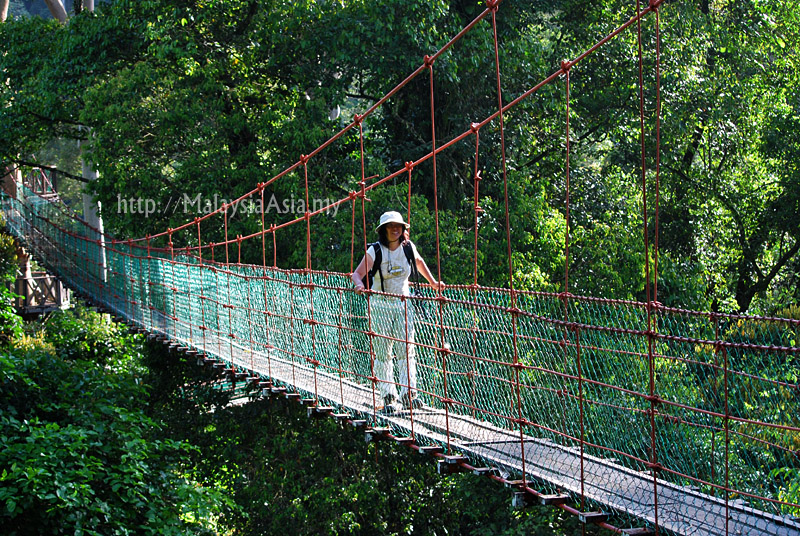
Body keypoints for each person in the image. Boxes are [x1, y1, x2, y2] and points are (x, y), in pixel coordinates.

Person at [351, 211, 445, 415]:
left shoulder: (408, 248)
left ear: (403, 229)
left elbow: (419, 264)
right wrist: (359, 285)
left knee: (406, 349)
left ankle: (408, 394)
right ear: (383, 230)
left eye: (399, 226)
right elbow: (356, 274)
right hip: (381, 305)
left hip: (403, 305)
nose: (395, 229)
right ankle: (388, 396)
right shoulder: (375, 251)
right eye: (390, 226)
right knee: (383, 352)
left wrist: (434, 283)